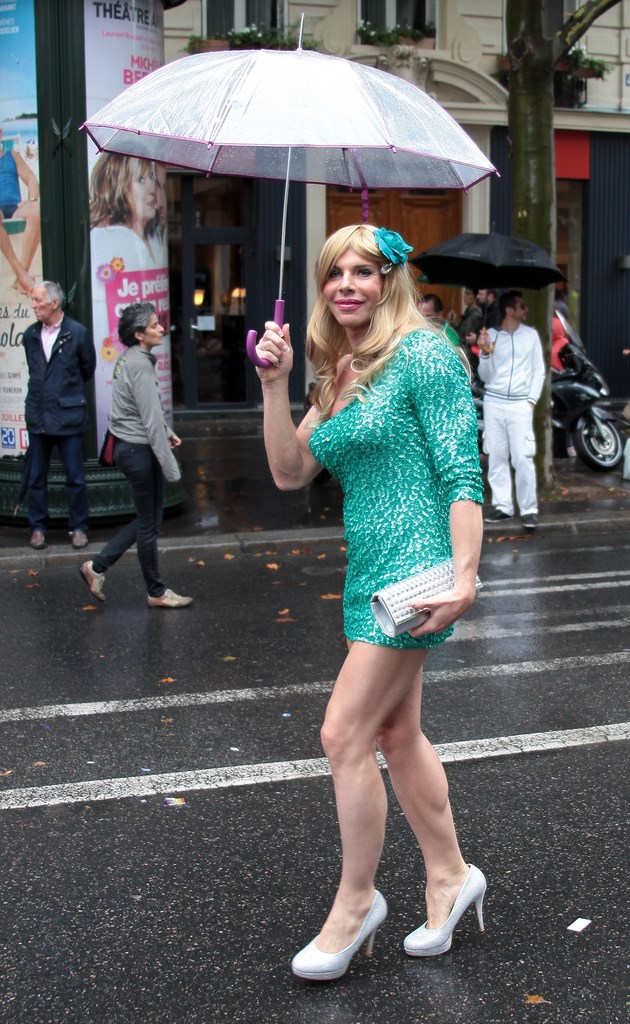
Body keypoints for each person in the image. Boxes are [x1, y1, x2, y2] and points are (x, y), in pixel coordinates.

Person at [253, 224, 486, 982]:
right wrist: (274, 384)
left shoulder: (424, 353)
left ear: (389, 280)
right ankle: (451, 877)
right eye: (333, 273)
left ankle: (356, 905)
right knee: (393, 732)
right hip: (368, 574)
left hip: (416, 577)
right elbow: (291, 474)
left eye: (363, 270)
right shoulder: (342, 370)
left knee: (342, 732)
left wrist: (465, 574)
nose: (346, 284)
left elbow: (460, 473)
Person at [79, 302, 191, 609]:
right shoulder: (140, 364)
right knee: (147, 525)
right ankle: (155, 591)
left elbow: (142, 412)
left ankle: (97, 567)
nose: (161, 329)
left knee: (148, 522)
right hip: (138, 451)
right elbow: (150, 420)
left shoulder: (132, 358)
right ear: (138, 333)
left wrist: (167, 432)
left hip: (131, 447)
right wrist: (173, 470)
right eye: (154, 325)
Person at [22, 282, 96, 550]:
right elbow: (35, 371)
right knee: (36, 476)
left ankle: (78, 527)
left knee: (75, 477)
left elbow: (87, 368)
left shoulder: (77, 333)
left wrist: (65, 395)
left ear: (55, 303)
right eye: (33, 300)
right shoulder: (30, 335)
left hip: (68, 417)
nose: (34, 306)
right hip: (39, 415)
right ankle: (38, 527)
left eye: (38, 301)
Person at [478, 290, 545, 530]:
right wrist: (485, 353)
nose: (525, 310)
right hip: (494, 402)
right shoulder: (492, 336)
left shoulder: (531, 336)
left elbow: (539, 371)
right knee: (496, 456)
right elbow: (485, 377)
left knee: (522, 457)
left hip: (520, 404)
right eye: (521, 306)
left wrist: (531, 401)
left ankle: (529, 509)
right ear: (510, 310)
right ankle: (503, 506)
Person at [0, 127, 41, 294]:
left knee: (35, 210)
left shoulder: (12, 156)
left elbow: (31, 179)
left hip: (14, 207)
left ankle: (21, 277)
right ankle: (22, 274)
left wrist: (30, 200)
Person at [449, 286, 483, 373]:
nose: (465, 296)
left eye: (468, 294)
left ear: (475, 296)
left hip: (468, 355)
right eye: (465, 293)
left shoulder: (475, 315)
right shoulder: (468, 311)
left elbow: (465, 335)